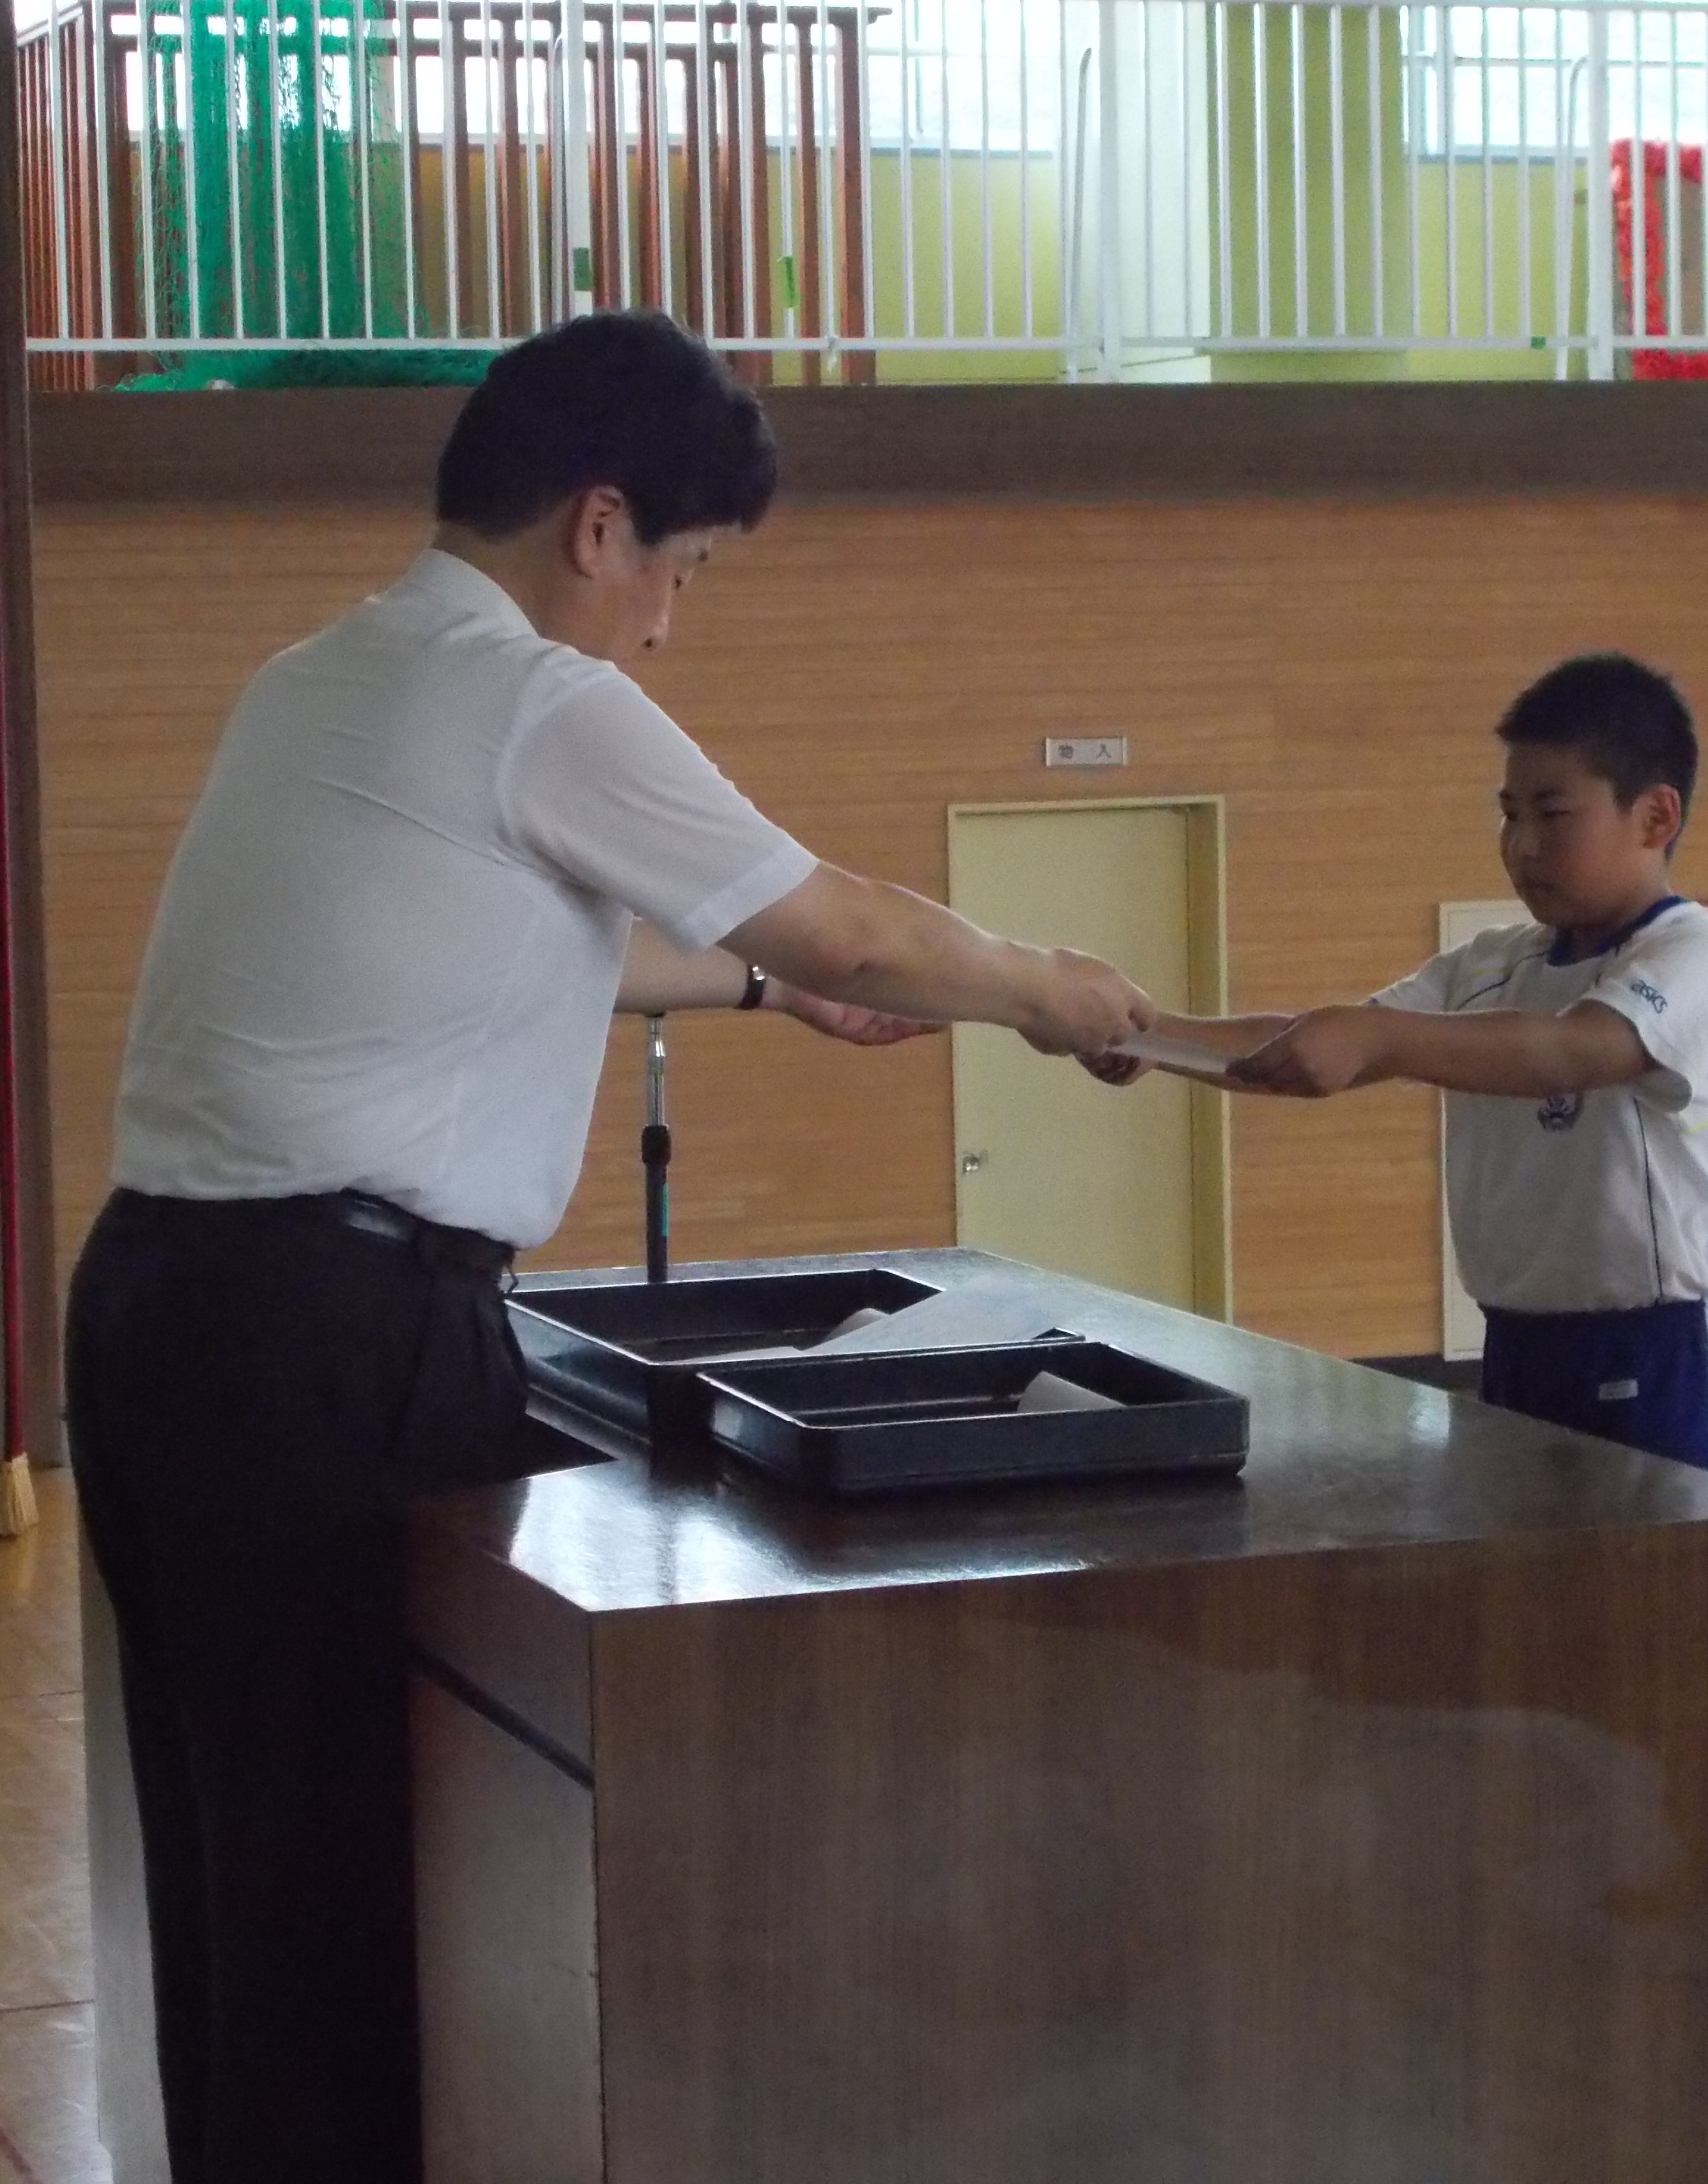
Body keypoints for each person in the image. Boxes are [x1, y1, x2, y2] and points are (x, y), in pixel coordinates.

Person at [65, 311, 1154, 2184]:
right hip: (325, 1334)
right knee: (338, 1902)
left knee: (238, 1874)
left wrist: (760, 992)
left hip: (165, 1308)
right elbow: (850, 922)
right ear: (597, 525)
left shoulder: (326, 677)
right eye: (684, 569)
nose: (666, 623)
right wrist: (1050, 988)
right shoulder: (536, 698)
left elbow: (522, 929)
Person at [1089, 654, 1708, 1488]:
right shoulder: (1489, 964)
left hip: (1669, 1357)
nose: (1522, 845)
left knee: (1702, 1579)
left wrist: (1379, 1039)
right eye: (1509, 814)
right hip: (1520, 1349)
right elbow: (1315, 1044)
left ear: (1656, 816)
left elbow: (1570, 1050)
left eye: (1553, 813)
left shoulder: (1703, 955)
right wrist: (1154, 1037)